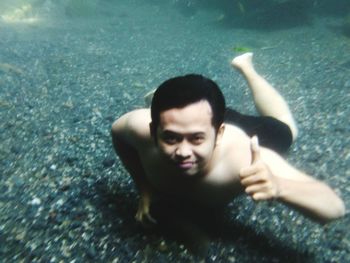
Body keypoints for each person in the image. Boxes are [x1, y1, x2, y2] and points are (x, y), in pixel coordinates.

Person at [111, 53, 345, 233]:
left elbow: (334, 208)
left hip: (249, 134)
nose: (182, 152)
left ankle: (247, 68)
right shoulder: (137, 128)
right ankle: (178, 112)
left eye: (196, 140)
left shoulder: (242, 160)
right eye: (170, 138)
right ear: (154, 131)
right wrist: (144, 190)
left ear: (218, 134)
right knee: (189, 121)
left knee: (286, 128)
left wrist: (279, 186)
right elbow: (117, 135)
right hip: (201, 120)